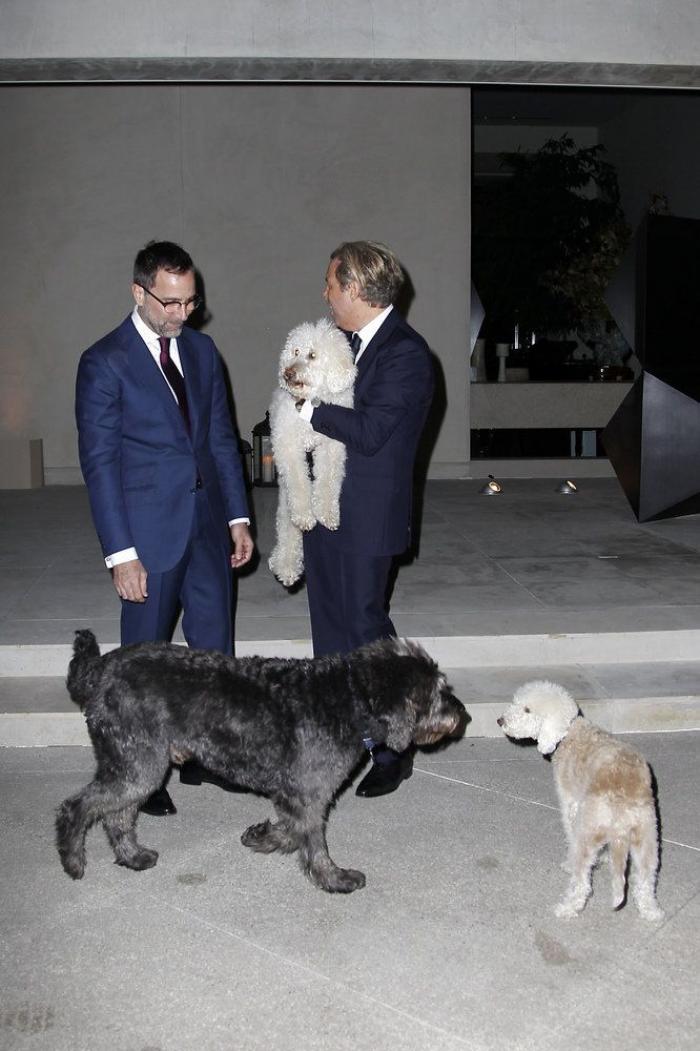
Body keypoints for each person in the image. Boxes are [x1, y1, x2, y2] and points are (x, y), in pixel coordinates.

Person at [76, 240, 254, 815]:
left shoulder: (202, 352)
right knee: (145, 662)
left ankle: (210, 756)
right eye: (170, 303)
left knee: (214, 651)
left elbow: (222, 440)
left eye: (190, 302)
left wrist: (237, 516)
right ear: (139, 292)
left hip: (207, 525)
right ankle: (142, 772)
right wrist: (120, 553)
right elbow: (100, 465)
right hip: (148, 534)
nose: (182, 314)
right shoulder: (105, 361)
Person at [298, 240, 434, 797]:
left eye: (331, 284)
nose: (326, 294)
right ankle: (341, 740)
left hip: (367, 519)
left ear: (355, 288)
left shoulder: (404, 352)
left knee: (365, 632)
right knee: (329, 633)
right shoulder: (343, 345)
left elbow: (373, 433)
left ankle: (393, 747)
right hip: (328, 511)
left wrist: (307, 409)